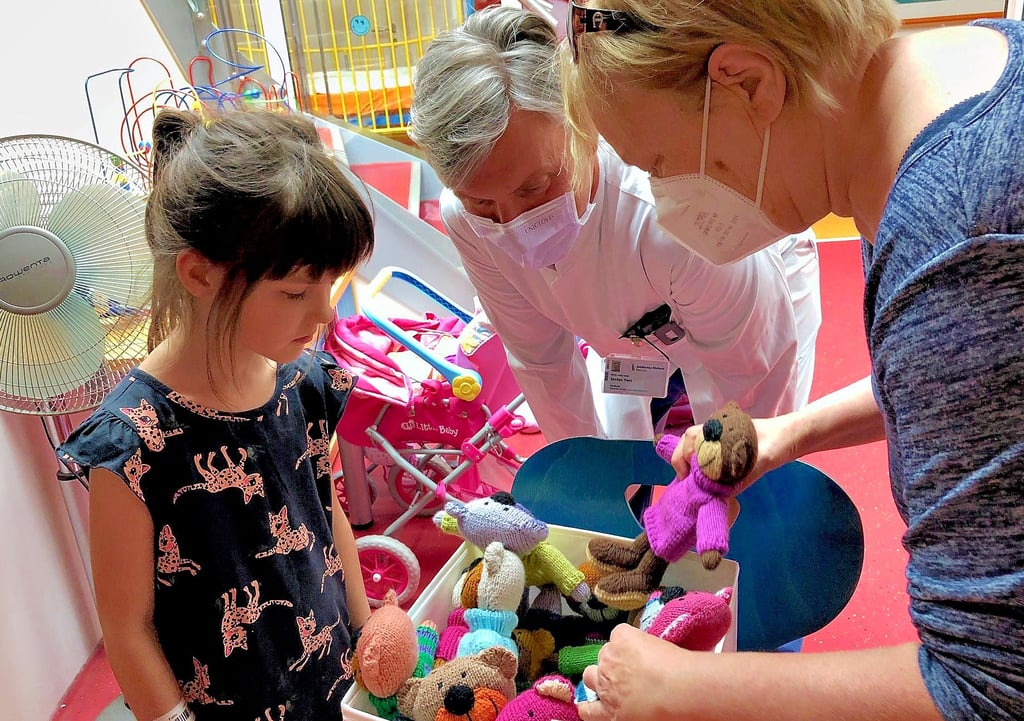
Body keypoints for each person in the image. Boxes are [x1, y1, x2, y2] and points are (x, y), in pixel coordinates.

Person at [560, 1, 1024, 719]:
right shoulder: (963, 80)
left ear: (747, 83)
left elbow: (989, 686)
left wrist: (682, 690)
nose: (666, 201)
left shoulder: (956, 232)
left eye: (660, 164)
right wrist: (794, 430)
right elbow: (977, 382)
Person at [57, 109, 375, 721]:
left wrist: (366, 634)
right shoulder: (131, 444)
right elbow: (127, 626)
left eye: (331, 285)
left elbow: (326, 513)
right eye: (295, 292)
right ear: (200, 272)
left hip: (334, 683)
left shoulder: (304, 384)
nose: (325, 315)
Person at [408, 6, 822, 444]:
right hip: (630, 346)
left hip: (747, 309)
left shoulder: (672, 212)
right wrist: (583, 482)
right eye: (483, 203)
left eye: (537, 187)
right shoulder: (465, 220)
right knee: (616, 464)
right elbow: (541, 361)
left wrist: (726, 479)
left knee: (745, 470)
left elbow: (749, 384)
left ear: (582, 122)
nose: (514, 225)